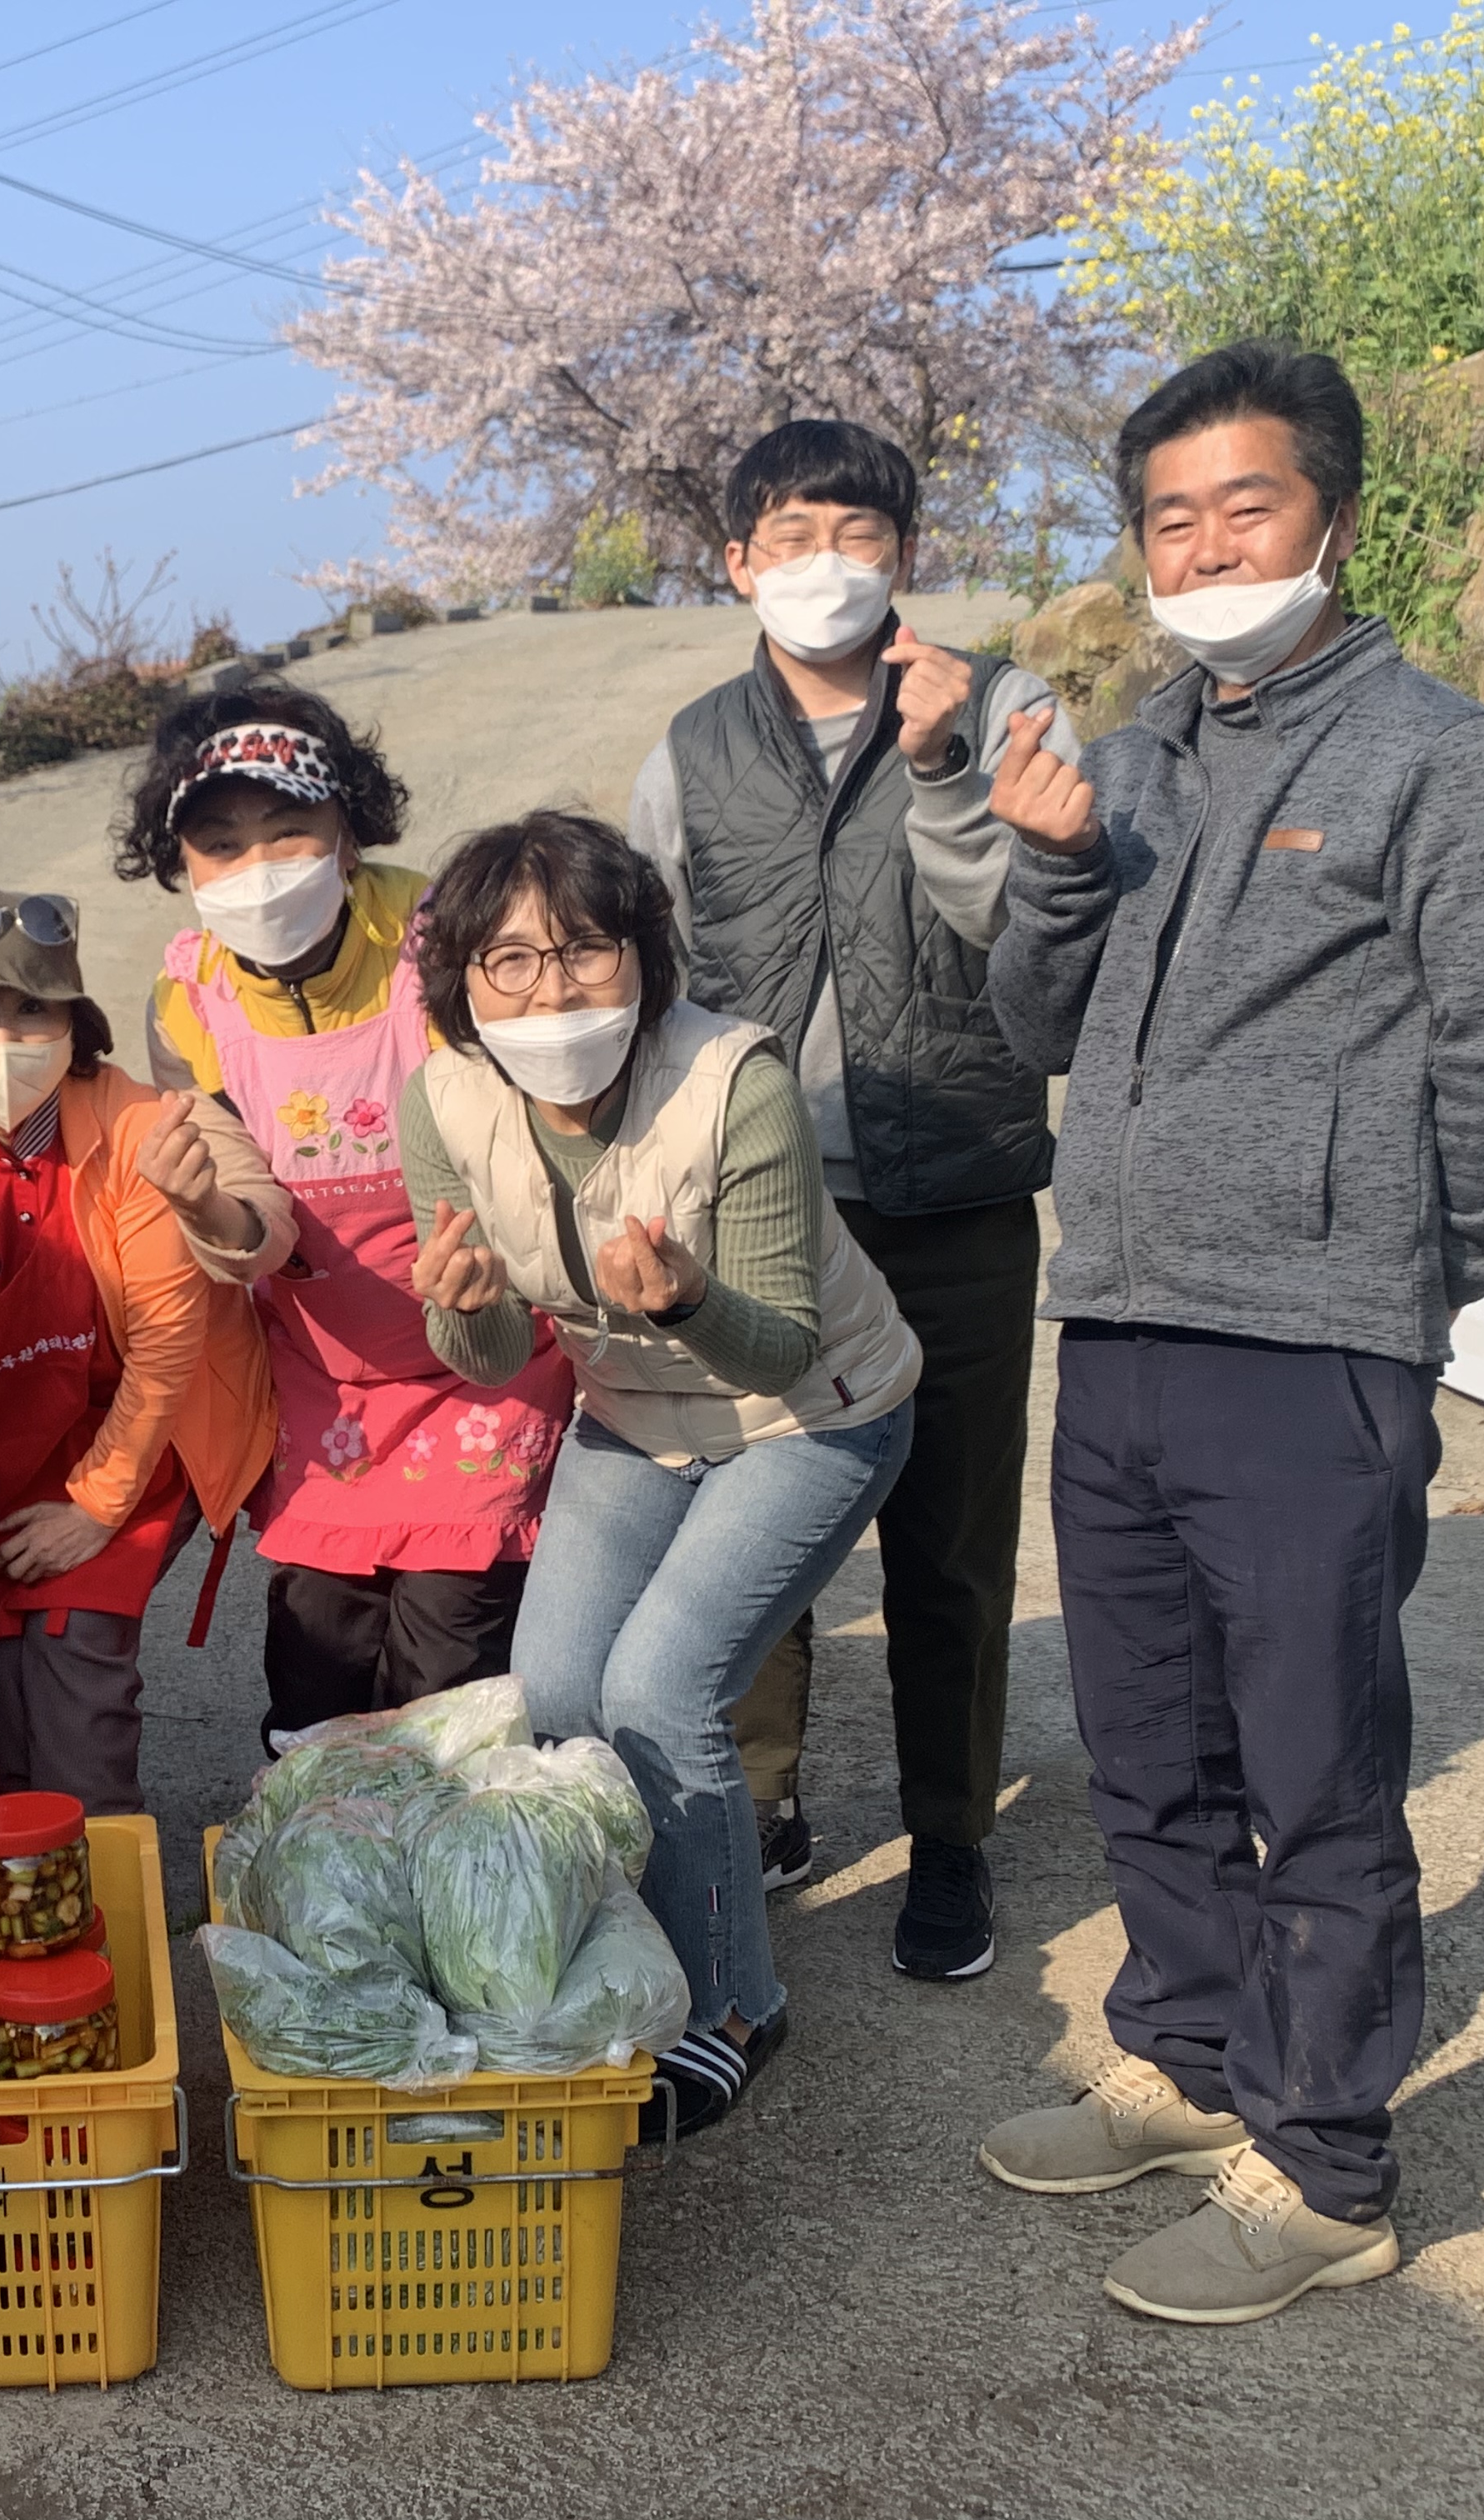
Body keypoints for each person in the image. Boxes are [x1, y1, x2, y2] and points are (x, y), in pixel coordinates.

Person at [979, 341, 1484, 2325]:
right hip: (1127, 1322)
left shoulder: (1437, 755)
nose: (1208, 544)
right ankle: (1189, 2048)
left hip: (1313, 1345)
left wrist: (1407, 1286)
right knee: (1145, 1741)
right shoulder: (1136, 752)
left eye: (1246, 506)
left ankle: (1327, 2167)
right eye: (1170, 516)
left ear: (1329, 514)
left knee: (1314, 1766)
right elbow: (1035, 1024)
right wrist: (1054, 871)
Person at [625, 418, 1079, 1980]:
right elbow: (644, 974)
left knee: (949, 1539)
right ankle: (758, 1805)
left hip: (950, 1183)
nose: (826, 561)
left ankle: (950, 1837)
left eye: (858, 530)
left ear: (905, 551)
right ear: (738, 561)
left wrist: (944, 762)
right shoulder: (690, 749)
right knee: (752, 1523)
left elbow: (1027, 932)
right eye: (791, 534)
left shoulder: (1006, 704)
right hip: (765, 1200)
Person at [397, 810, 919, 2137]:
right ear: (461, 983)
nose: (549, 988)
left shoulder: (734, 1079)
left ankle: (735, 2001)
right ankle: (642, 1950)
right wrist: (457, 1309)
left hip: (809, 1413)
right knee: (562, 1690)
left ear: (643, 958)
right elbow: (498, 1339)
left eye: (583, 949)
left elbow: (787, 1338)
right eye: (507, 961)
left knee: (660, 1690)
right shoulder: (444, 1098)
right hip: (632, 1416)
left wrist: (687, 1302)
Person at [117, 686, 570, 1752]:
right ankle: (329, 1885)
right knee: (315, 1647)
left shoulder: (450, 943)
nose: (259, 868)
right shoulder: (187, 1002)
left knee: (451, 1655)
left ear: (349, 833)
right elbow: (256, 1222)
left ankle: (462, 1877)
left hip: (484, 1354)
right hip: (328, 1386)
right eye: (220, 846)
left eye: (289, 832)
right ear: (180, 864)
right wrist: (205, 1206)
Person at [0, 891, 276, 1814]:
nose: (1, 1038)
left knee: (79, 1690)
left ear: (73, 1025)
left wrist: (92, 1508)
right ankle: (26, 1920)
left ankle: (110, 1922)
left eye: (30, 1011)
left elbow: (168, 1347)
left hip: (128, 1450)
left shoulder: (138, 1127)